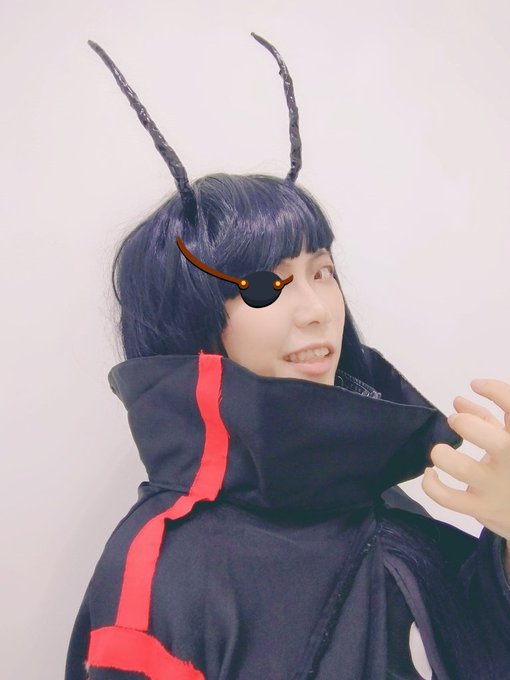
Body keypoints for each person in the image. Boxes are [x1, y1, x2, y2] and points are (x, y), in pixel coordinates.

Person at [65, 35, 510, 679]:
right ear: (190, 318)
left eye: (322, 272)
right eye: (264, 286)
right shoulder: (164, 572)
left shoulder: (377, 499)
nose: (317, 310)